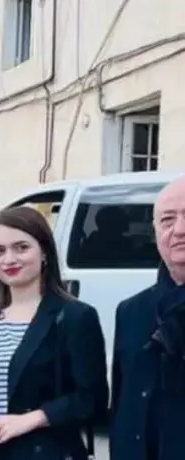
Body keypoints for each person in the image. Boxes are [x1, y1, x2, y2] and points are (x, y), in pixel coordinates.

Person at [0, 207, 108, 459]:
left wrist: (34, 419)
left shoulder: (74, 316)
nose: (9, 259)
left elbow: (91, 399)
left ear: (44, 252)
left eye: (21, 248)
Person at [111, 176, 185, 459]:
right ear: (156, 232)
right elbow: (123, 406)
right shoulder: (131, 311)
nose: (179, 230)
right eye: (167, 220)